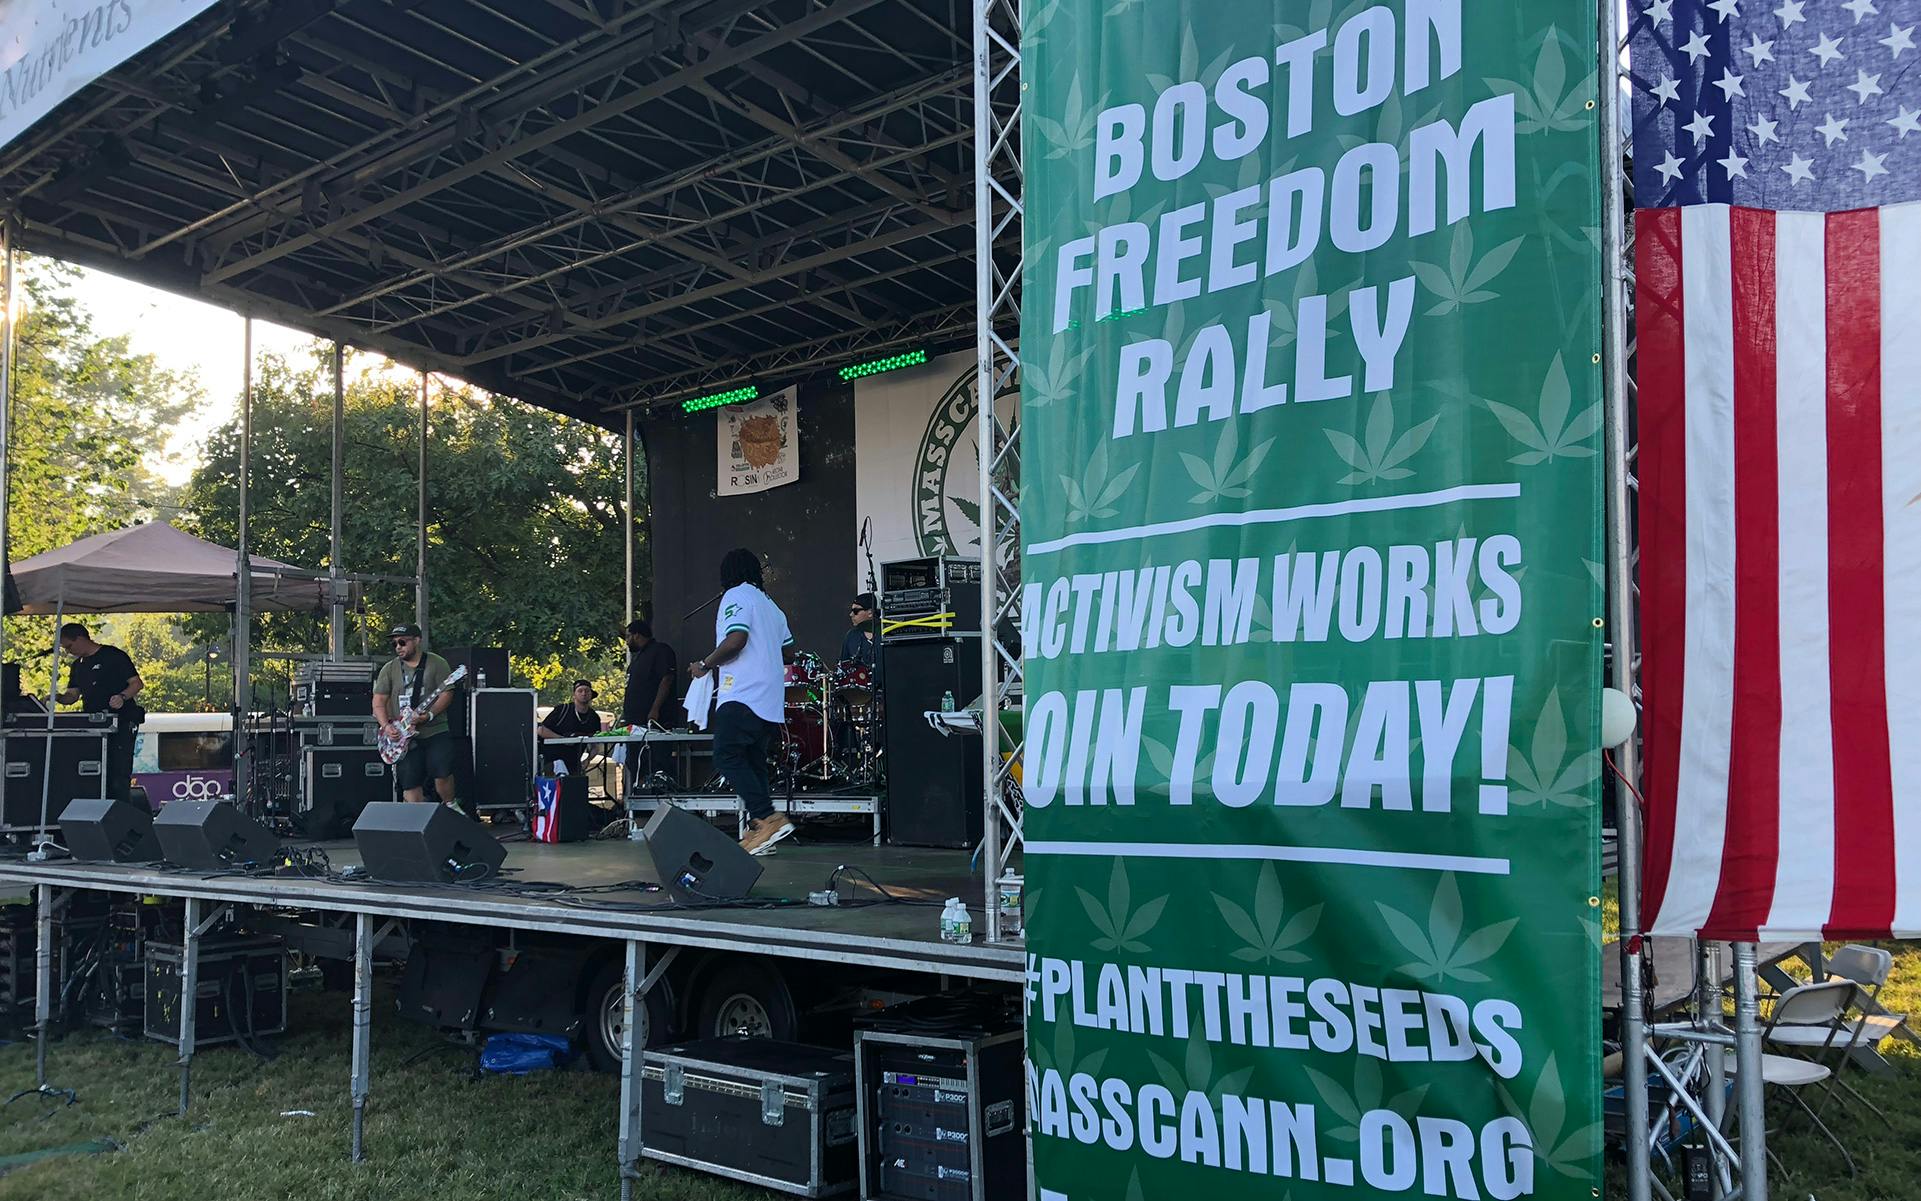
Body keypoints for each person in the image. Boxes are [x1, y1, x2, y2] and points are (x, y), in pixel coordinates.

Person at [689, 548, 795, 856]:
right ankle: (759, 829)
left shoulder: (735, 596)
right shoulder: (772, 606)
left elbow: (735, 640)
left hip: (743, 692)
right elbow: (789, 652)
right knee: (752, 760)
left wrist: (704, 665)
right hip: (770, 697)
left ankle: (767, 817)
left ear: (728, 574)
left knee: (726, 756)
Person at [372, 623, 460, 806]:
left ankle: (451, 805)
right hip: (403, 735)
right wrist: (386, 726)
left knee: (442, 770)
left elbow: (447, 693)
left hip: (435, 729)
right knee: (410, 779)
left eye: (402, 642)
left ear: (417, 640)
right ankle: (416, 819)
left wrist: (429, 715)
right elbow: (379, 701)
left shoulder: (437, 663)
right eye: (394, 644)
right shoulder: (389, 669)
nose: (398, 647)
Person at [55, 623, 143, 804]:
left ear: (80, 638)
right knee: (94, 771)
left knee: (118, 772)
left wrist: (122, 697)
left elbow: (136, 683)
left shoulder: (113, 656)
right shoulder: (78, 666)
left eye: (69, 647)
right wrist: (57, 698)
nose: (68, 652)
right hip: (93, 726)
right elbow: (73, 695)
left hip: (121, 722)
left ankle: (120, 815)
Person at [622, 618, 684, 729]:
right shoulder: (637, 657)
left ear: (636, 635)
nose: (626, 641)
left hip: (655, 720)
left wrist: (655, 709)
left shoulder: (660, 650)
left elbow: (667, 679)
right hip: (634, 721)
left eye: (628, 636)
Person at [537, 679, 602, 775]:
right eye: (580, 691)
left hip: (574, 763)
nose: (584, 693)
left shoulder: (594, 717)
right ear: (574, 695)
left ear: (591, 694)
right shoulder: (562, 710)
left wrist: (588, 760)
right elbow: (540, 730)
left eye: (587, 691)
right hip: (552, 762)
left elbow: (595, 745)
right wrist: (562, 739)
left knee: (574, 787)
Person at [839, 592, 879, 668]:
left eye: (855, 611)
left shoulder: (886, 635)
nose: (851, 614)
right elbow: (843, 666)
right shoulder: (851, 635)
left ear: (870, 612)